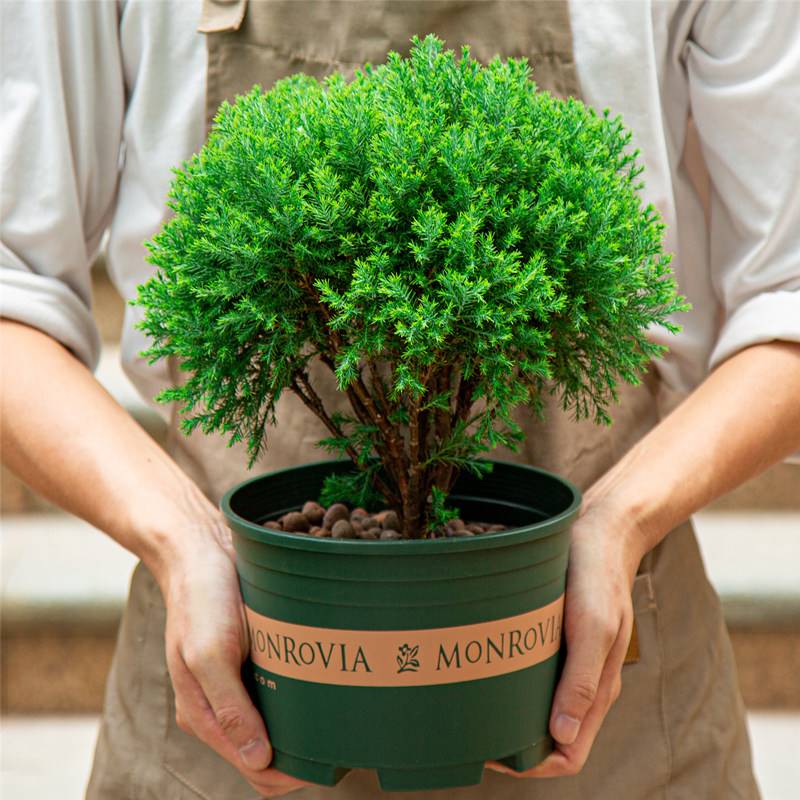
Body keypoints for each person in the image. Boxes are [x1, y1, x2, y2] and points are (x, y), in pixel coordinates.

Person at [2, 1, 799, 798]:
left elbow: (788, 301)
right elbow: (13, 294)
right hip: (229, 658)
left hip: (609, 681)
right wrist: (182, 538)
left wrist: (621, 517)